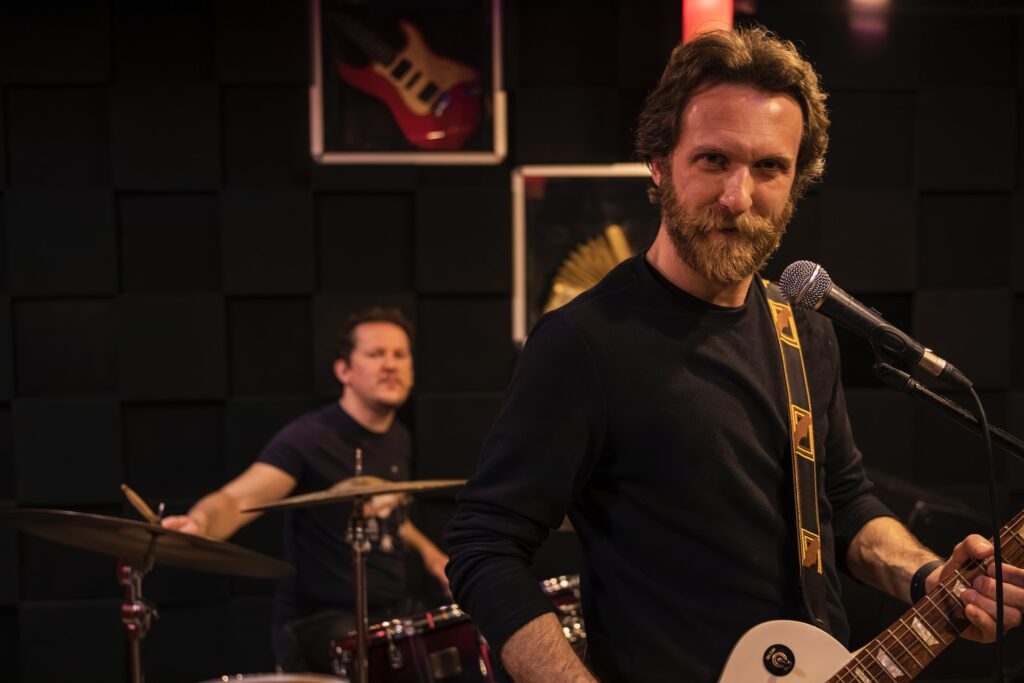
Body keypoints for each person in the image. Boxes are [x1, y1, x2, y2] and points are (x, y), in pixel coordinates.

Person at [444, 27, 1024, 682]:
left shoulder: (805, 329)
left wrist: (926, 575)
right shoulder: (584, 342)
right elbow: (484, 546)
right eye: (714, 161)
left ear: (797, 179)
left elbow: (845, 501)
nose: (738, 198)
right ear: (659, 163)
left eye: (770, 168)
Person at [163, 307, 449, 673]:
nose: (390, 365)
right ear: (343, 370)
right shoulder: (309, 438)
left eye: (400, 354)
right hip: (319, 620)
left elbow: (386, 510)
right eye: (376, 354)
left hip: (388, 610)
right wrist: (199, 524)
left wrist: (430, 555)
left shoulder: (398, 437)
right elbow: (239, 498)